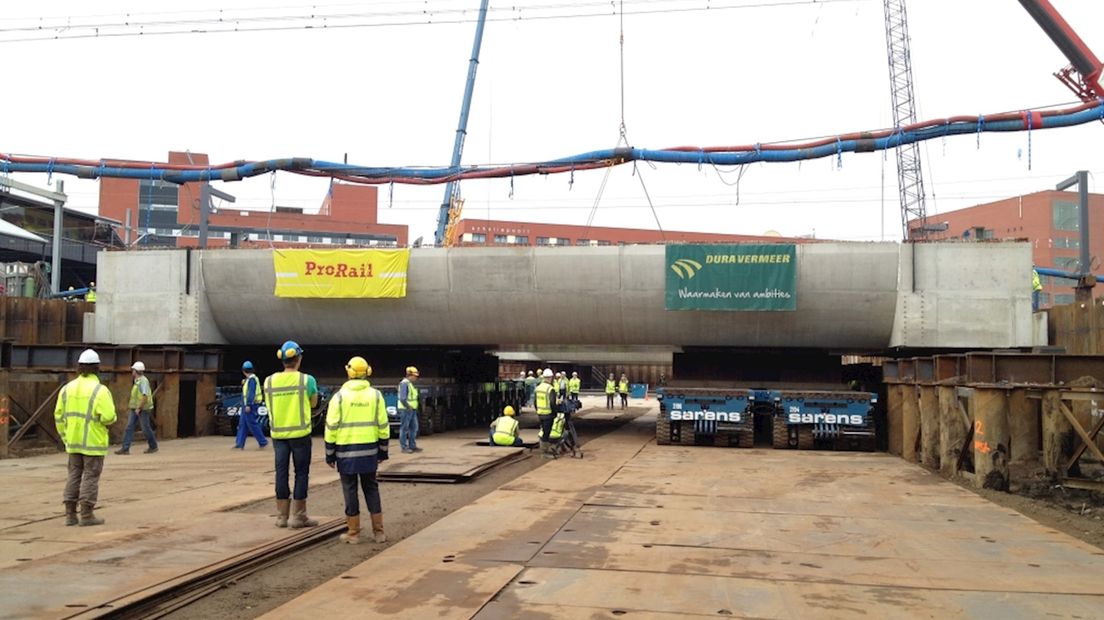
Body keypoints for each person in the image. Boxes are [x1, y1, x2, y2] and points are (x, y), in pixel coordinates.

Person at [325, 356, 390, 544]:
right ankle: (379, 533)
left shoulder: (339, 397)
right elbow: (383, 425)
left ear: (349, 372)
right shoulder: (376, 396)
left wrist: (330, 453)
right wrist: (383, 451)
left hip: (345, 453)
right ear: (367, 372)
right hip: (370, 451)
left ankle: (353, 534)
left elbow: (331, 426)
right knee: (371, 488)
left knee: (350, 489)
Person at [55, 349, 118, 526]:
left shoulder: (67, 389)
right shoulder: (100, 390)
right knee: (90, 476)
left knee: (74, 475)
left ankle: (70, 515)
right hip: (93, 442)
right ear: (97, 368)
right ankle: (87, 514)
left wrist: (65, 437)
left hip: (73, 442)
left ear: (79, 368)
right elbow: (108, 417)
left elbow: (58, 416)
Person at [264, 340, 320, 529]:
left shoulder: (269, 380)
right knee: (301, 473)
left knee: (281, 473)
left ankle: (281, 517)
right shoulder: (307, 380)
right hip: (300, 435)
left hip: (278, 435)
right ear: (299, 359)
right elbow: (313, 404)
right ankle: (299, 517)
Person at [116, 361, 158, 455]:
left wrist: (139, 408)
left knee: (145, 428)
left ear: (136, 371)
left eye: (133, 370)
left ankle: (153, 446)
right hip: (135, 408)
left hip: (142, 409)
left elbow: (145, 396)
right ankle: (125, 448)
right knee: (129, 427)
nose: (132, 372)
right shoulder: (138, 381)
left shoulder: (143, 381)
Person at [234, 361, 268, 450]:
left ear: (243, 371)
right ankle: (239, 444)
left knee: (252, 424)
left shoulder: (252, 380)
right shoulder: (249, 380)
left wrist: (248, 404)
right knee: (243, 424)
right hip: (247, 405)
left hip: (251, 405)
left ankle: (262, 441)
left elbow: (251, 393)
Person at [534, 369, 558, 458]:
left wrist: (538, 411)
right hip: (548, 414)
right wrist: (555, 412)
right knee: (546, 433)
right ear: (551, 378)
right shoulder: (550, 389)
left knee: (544, 431)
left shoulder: (538, 388)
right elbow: (552, 403)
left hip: (540, 414)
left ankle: (545, 449)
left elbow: (535, 402)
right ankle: (544, 452)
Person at [397, 366, 421, 454]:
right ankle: (404, 447)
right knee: (404, 428)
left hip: (411, 409)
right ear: (409, 375)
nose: (416, 378)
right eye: (415, 376)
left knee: (414, 427)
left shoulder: (409, 384)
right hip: (406, 409)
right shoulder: (404, 384)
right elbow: (403, 398)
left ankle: (412, 446)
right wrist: (408, 406)